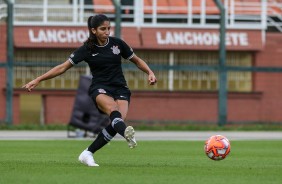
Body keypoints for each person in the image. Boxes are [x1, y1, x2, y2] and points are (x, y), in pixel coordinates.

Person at [22, 14, 157, 167]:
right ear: (93, 30)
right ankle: (127, 134)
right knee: (114, 111)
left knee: (116, 122)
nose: (107, 32)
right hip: (100, 88)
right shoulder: (87, 49)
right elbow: (62, 67)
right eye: (103, 29)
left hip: (121, 88)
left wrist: (150, 72)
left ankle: (88, 153)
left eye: (108, 28)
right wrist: (38, 79)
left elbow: (137, 60)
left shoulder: (118, 44)